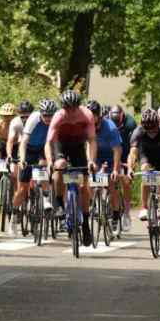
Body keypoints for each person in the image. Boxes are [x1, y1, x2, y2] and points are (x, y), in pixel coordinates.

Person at [46, 89, 99, 245]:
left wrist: (91, 161)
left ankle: (86, 225)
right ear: (63, 107)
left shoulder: (86, 115)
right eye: (67, 108)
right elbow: (49, 143)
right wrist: (50, 161)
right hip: (60, 144)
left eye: (73, 108)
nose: (70, 111)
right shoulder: (59, 116)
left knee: (83, 186)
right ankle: (59, 204)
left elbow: (92, 141)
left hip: (78, 146)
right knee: (60, 166)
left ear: (78, 105)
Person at [127, 108, 160, 245]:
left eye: (154, 130)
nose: (151, 133)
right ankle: (144, 207)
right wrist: (130, 168)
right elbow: (133, 153)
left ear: (158, 124)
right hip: (146, 156)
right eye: (148, 130)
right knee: (145, 171)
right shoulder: (138, 132)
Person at [87, 99, 125, 232]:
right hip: (96, 155)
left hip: (111, 156)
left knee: (111, 184)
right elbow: (87, 145)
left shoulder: (110, 127)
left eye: (93, 115)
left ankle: (115, 216)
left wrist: (115, 169)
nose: (90, 118)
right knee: (89, 180)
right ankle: (94, 204)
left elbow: (117, 150)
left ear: (99, 115)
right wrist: (90, 162)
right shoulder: (87, 126)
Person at [15, 99, 57, 219]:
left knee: (44, 165)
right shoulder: (34, 118)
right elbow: (23, 142)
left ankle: (45, 199)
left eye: (50, 115)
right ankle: (14, 212)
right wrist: (22, 159)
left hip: (44, 147)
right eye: (45, 115)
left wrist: (51, 161)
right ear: (41, 113)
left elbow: (53, 142)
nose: (48, 118)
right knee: (22, 188)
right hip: (29, 148)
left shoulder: (55, 121)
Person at [110, 105, 137, 227]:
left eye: (118, 122)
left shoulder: (130, 124)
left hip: (126, 152)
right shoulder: (107, 122)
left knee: (126, 182)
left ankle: (126, 212)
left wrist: (130, 164)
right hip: (113, 152)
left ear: (122, 117)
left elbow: (133, 146)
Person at [0, 102, 17, 180]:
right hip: (3, 144)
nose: (7, 118)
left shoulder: (19, 125)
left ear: (14, 116)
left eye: (9, 116)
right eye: (4, 116)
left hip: (16, 146)